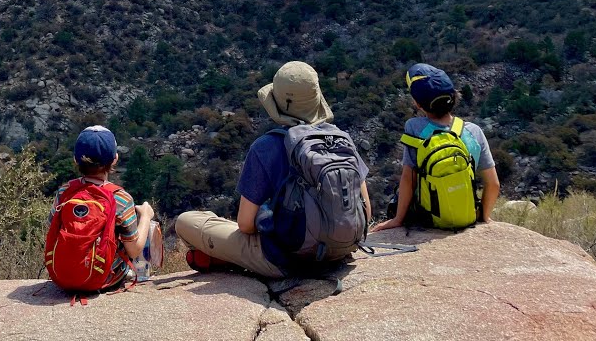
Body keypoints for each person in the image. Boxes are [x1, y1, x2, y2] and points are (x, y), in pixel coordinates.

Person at [175, 61, 371, 278]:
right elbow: (366, 211)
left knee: (186, 221)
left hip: (285, 261)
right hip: (340, 251)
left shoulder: (265, 147)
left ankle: (226, 259)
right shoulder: (341, 141)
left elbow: (246, 226)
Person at [373, 63, 500, 232]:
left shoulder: (414, 127)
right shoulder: (474, 131)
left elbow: (408, 179)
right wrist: (483, 217)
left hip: (426, 219)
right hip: (466, 217)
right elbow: (493, 184)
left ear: (418, 104)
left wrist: (397, 219)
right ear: (454, 96)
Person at [46, 125, 155, 290]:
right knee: (145, 229)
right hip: (105, 279)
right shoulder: (120, 198)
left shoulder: (65, 192)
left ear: (76, 160)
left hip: (62, 276)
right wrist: (146, 216)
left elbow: (51, 227)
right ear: (115, 159)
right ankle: (139, 273)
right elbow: (134, 250)